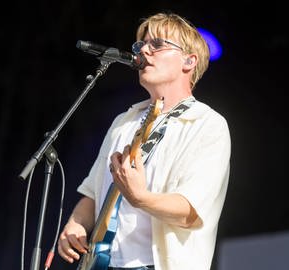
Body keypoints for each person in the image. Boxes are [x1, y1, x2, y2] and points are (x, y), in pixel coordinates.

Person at [57, 11, 231, 270]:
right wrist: (76, 223)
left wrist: (140, 197)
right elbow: (93, 193)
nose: (143, 51)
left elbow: (191, 211)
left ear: (189, 61)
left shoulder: (207, 125)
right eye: (140, 45)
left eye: (157, 44)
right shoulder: (123, 122)